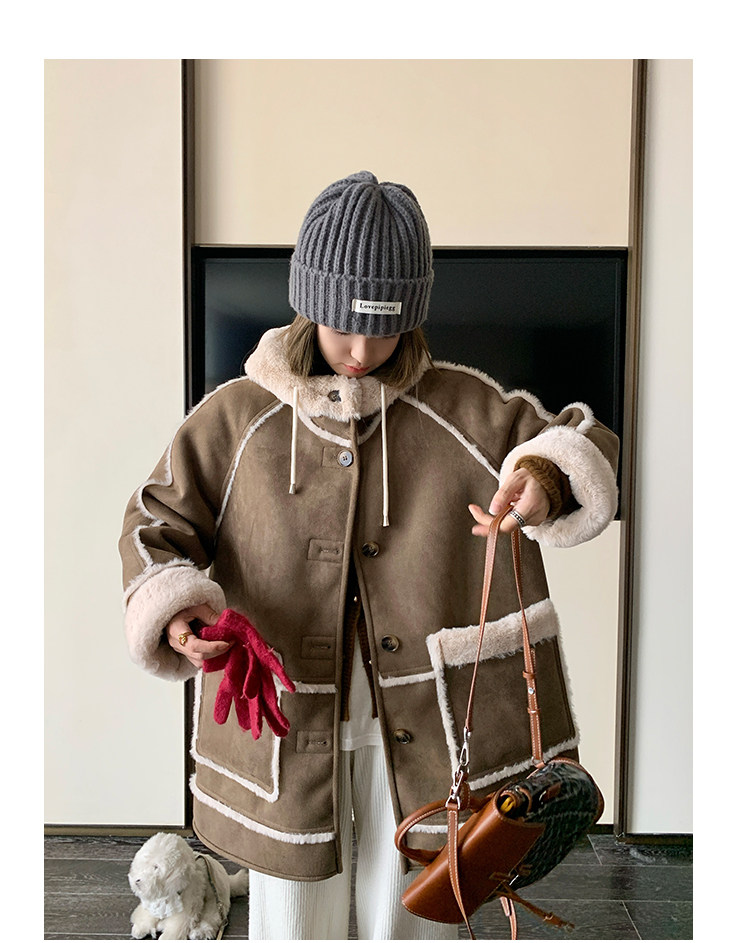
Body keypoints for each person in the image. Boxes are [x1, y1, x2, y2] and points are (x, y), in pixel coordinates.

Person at [119, 170, 619, 940]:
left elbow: (583, 440)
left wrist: (545, 479)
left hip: (430, 717)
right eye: (342, 325)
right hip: (285, 711)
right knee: (293, 915)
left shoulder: (462, 405)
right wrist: (178, 611)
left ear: (412, 318)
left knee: (415, 902)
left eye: (383, 329)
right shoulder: (237, 417)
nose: (360, 349)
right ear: (307, 305)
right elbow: (156, 522)